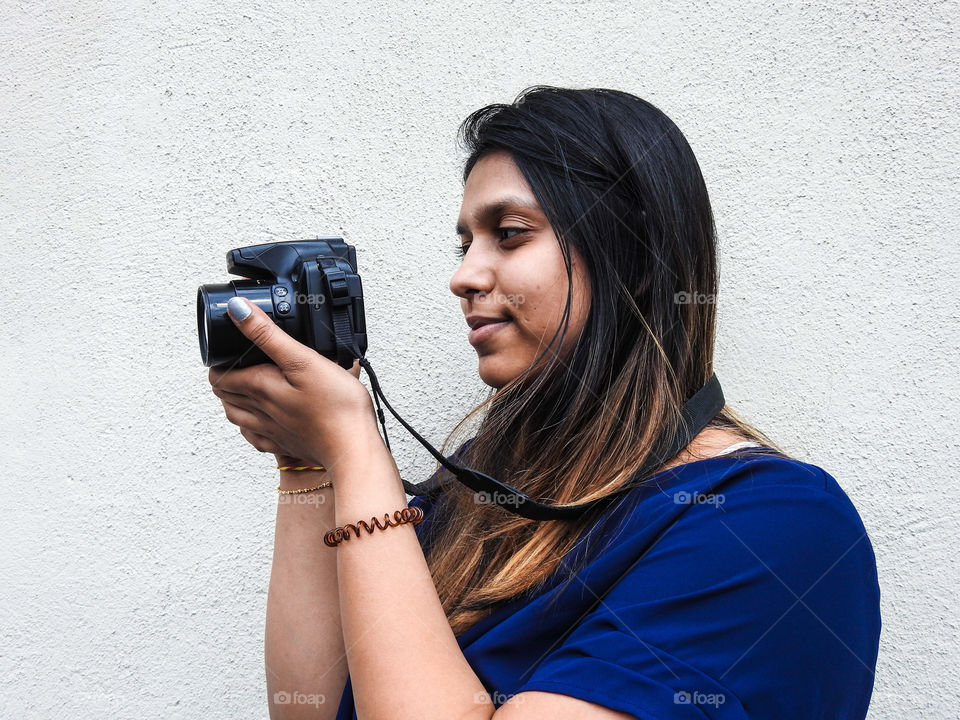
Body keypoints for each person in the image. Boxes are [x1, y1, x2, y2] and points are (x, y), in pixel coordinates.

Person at [208, 85, 881, 719]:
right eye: (464, 244)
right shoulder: (482, 495)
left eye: (509, 233)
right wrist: (306, 462)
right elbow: (314, 708)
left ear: (637, 258)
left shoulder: (773, 525)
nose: (464, 276)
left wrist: (355, 448)